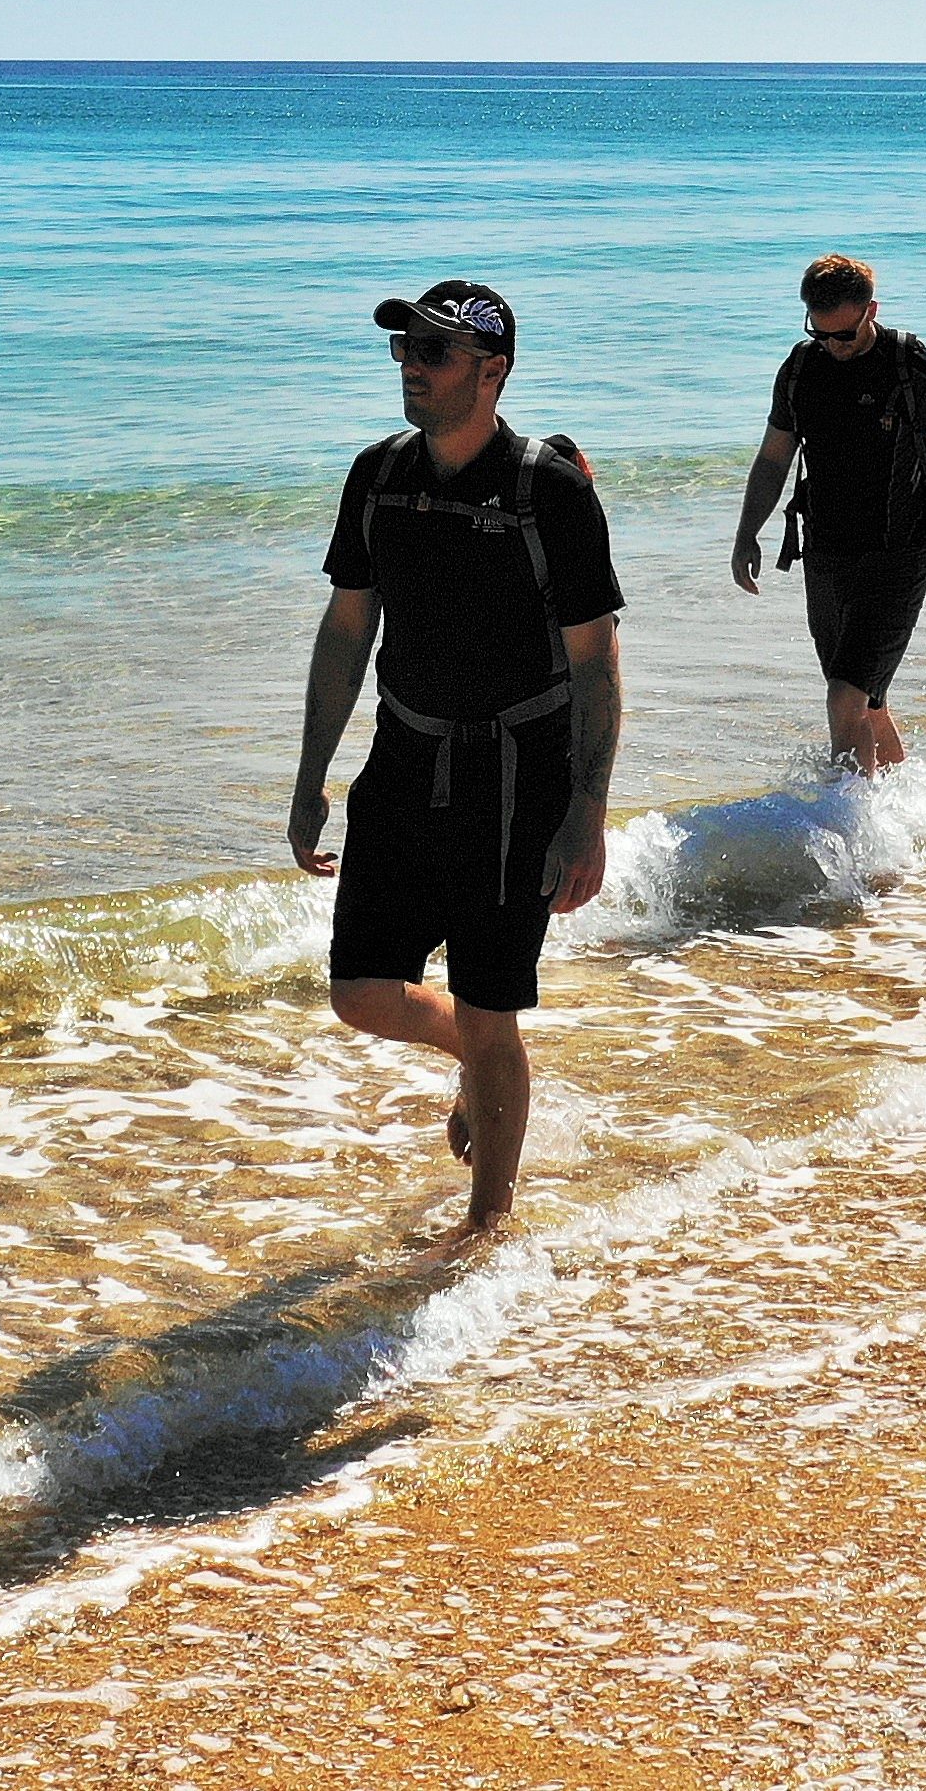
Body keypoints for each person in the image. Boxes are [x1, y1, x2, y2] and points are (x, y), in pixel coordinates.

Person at [291, 278, 625, 1242]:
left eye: (433, 353)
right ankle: (475, 1065)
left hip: (519, 778)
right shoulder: (377, 475)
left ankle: (485, 1228)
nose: (411, 368)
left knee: (490, 1010)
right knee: (358, 993)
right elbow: (346, 630)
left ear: (491, 371)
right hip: (403, 761)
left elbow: (595, 663)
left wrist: (587, 812)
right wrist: (311, 777)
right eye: (404, 349)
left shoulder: (548, 490)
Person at [729, 254, 926, 775]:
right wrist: (746, 533)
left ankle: (845, 817)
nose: (833, 346)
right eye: (820, 334)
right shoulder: (801, 369)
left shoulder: (910, 367)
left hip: (896, 559)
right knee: (865, 701)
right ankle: (897, 804)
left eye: (843, 335)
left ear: (872, 311)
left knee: (844, 697)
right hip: (825, 559)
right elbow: (773, 458)